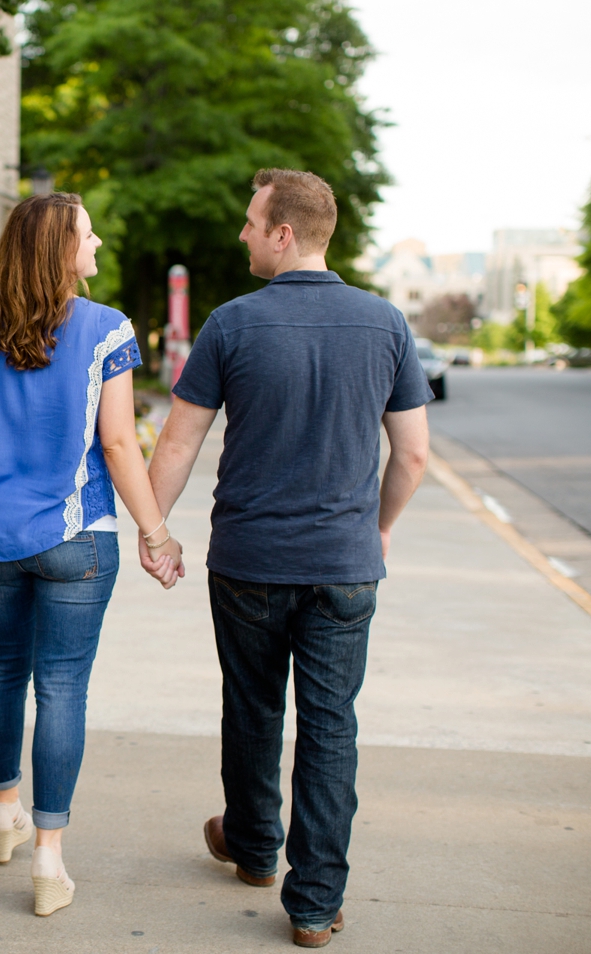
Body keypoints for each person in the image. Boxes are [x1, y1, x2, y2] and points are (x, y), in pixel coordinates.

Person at [144, 169, 431, 948]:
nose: (241, 233)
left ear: (284, 233)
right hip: (344, 562)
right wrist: (379, 529)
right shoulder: (386, 324)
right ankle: (314, 904)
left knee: (254, 707)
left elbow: (179, 439)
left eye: (250, 222)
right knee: (331, 725)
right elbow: (411, 456)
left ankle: (254, 846)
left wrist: (152, 527)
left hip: (249, 559)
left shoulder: (232, 325)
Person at [0, 191, 181, 917]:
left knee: (2, 670)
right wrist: (155, 531)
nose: (99, 241)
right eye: (87, 233)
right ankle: (48, 859)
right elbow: (116, 444)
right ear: (59, 250)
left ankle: (1, 810)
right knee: (63, 689)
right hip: (75, 539)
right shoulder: (107, 331)